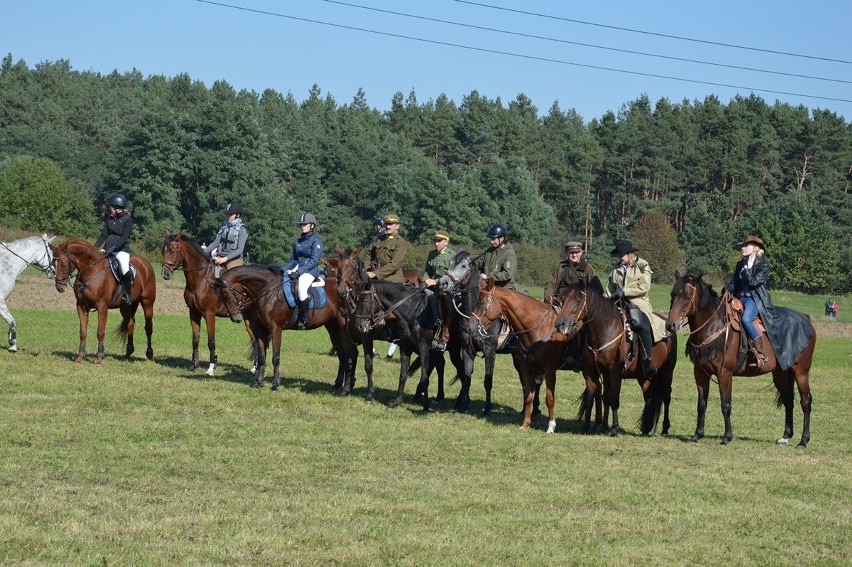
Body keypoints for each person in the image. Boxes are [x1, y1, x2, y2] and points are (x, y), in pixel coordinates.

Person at [603, 239, 663, 378]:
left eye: (621, 255)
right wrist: (605, 301)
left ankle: (646, 360)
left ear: (630, 254)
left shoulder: (643, 266)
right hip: (617, 302)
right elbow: (609, 289)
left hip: (637, 302)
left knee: (641, 324)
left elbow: (644, 287)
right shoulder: (615, 269)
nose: (619, 258)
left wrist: (625, 291)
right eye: (618, 255)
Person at [724, 235, 771, 368]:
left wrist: (747, 268)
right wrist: (727, 289)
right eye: (742, 246)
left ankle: (759, 351)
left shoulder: (763, 265)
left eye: (746, 245)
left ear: (755, 249)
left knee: (745, 320)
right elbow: (735, 281)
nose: (742, 248)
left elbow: (753, 282)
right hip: (739, 298)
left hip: (753, 299)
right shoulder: (740, 264)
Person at [279, 213, 324, 330]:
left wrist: (299, 272)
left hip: (311, 271)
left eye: (305, 224)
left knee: (302, 287)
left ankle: (304, 319)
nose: (302, 226)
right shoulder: (298, 241)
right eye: (301, 224)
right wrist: (282, 269)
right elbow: (293, 260)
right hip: (297, 268)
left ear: (312, 226)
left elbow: (313, 261)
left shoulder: (316, 241)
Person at [95, 194, 134, 304]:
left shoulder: (128, 220)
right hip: (108, 248)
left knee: (124, 268)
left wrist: (114, 248)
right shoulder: (109, 219)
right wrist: (95, 246)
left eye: (110, 208)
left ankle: (127, 294)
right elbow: (103, 235)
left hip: (122, 250)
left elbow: (124, 237)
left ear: (117, 208)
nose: (109, 210)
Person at [423, 230, 456, 351]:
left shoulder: (453, 256)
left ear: (446, 242)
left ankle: (440, 326)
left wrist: (435, 282)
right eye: (435, 241)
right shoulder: (431, 254)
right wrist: (426, 280)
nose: (436, 243)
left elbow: (452, 276)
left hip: (446, 289)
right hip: (431, 286)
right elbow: (427, 271)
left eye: (439, 241)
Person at [205, 202, 248, 275]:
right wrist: (203, 252)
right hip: (220, 255)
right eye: (227, 214)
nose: (228, 216)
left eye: (230, 215)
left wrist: (225, 259)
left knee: (230, 276)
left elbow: (240, 250)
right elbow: (215, 243)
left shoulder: (242, 229)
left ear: (237, 215)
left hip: (235, 258)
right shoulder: (224, 227)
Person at [365, 214, 410, 284]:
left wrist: (375, 274)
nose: (388, 226)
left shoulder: (400, 242)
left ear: (397, 226)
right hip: (374, 275)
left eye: (390, 224)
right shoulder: (379, 239)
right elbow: (368, 253)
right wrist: (367, 270)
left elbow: (394, 264)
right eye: (386, 224)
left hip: (392, 279)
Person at [477, 223, 517, 290]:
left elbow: (507, 274)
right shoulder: (489, 251)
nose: (491, 241)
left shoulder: (509, 254)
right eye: (490, 238)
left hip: (504, 288)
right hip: (488, 287)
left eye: (493, 239)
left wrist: (487, 276)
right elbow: (480, 267)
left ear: (501, 238)